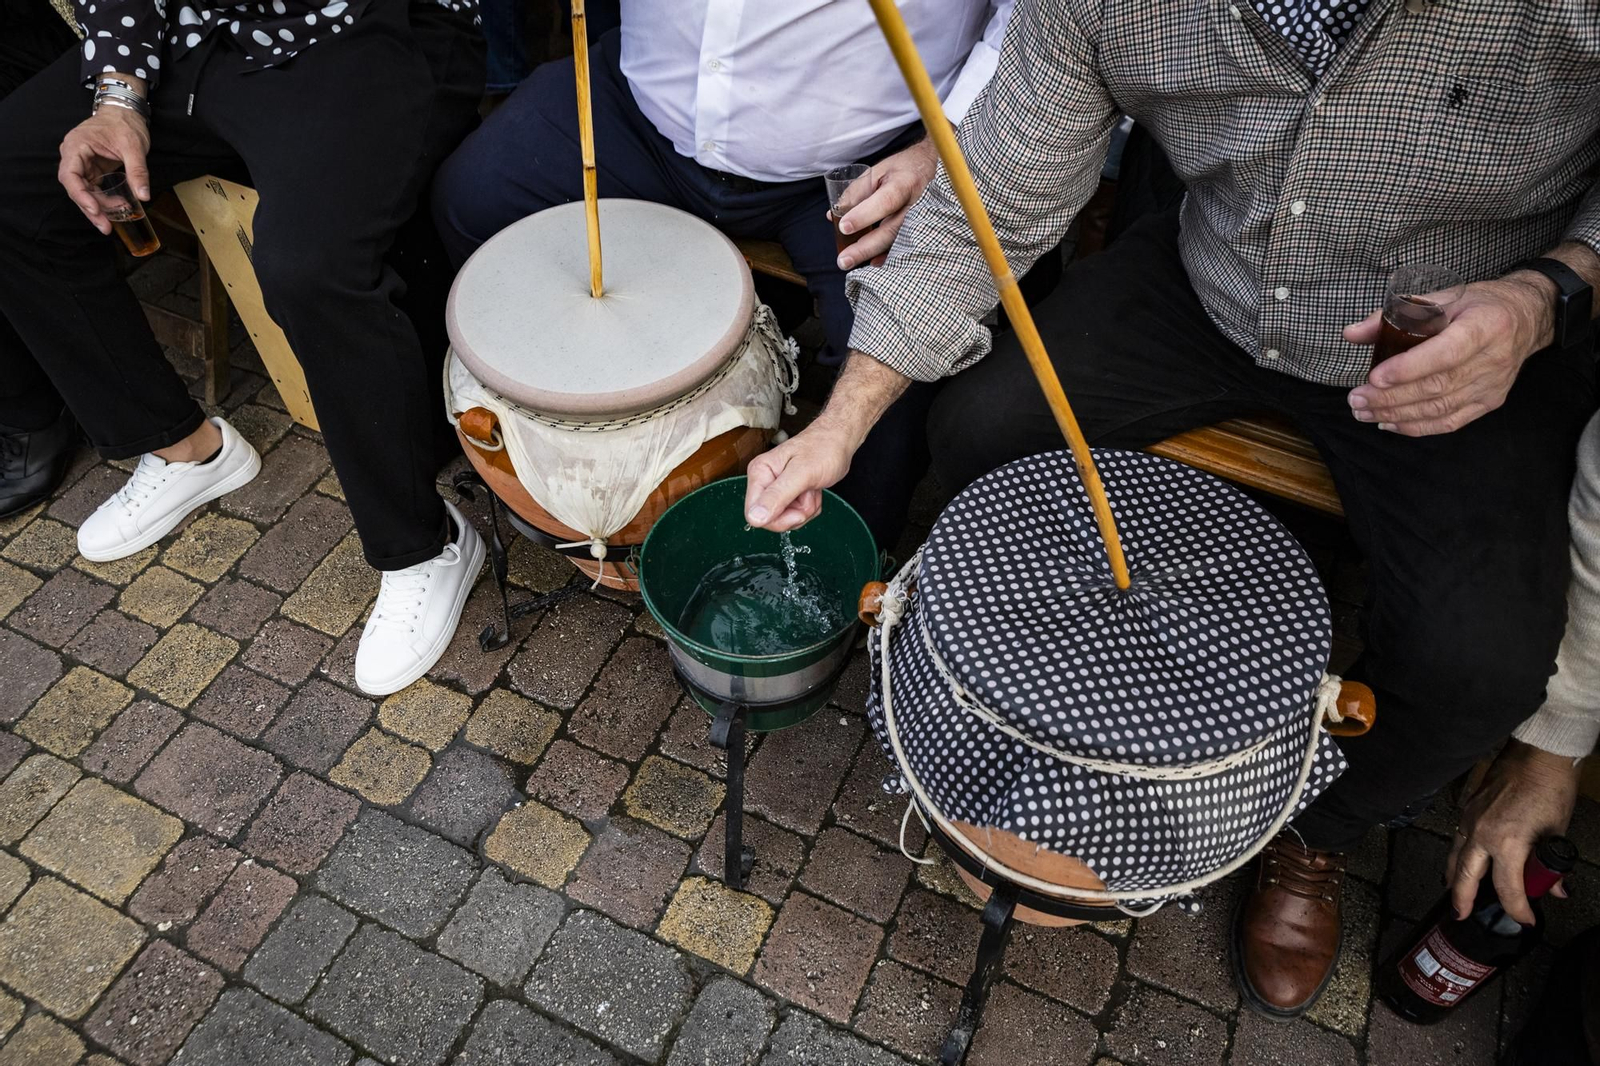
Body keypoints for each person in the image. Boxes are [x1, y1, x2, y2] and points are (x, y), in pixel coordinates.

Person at [744, 0, 1600, 1019]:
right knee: (980, 427)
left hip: (1464, 340)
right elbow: (1000, 196)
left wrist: (1549, 293)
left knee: (1481, 661)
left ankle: (1312, 831)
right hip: (1213, 279)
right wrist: (841, 423)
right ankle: (1033, 696)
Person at [0, 0, 490, 696]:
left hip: (364, 28)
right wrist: (119, 94)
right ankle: (184, 448)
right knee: (9, 179)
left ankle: (424, 547)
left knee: (309, 269)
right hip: (195, 29)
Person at [431, 0, 1013, 549]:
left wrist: (949, 141)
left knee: (897, 343)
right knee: (470, 200)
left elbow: (1038, 21)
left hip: (868, 155)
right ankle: (556, 435)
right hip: (639, 108)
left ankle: (841, 552)